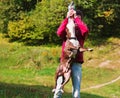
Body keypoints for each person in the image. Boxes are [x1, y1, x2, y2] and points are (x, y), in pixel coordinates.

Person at [53, 8, 89, 98]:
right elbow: (59, 32)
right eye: (75, 19)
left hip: (77, 63)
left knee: (76, 91)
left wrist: (76, 18)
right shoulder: (67, 32)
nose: (76, 22)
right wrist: (67, 18)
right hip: (64, 63)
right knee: (58, 88)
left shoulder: (81, 33)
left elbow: (85, 30)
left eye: (79, 20)